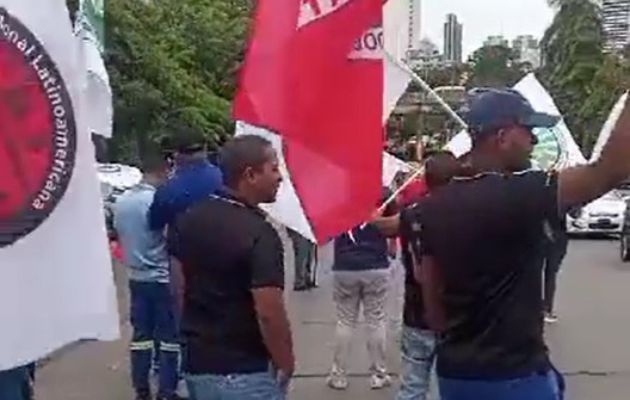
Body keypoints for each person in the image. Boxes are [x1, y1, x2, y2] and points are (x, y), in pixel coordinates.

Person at [417, 88, 630, 400]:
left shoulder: (432, 207)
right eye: (528, 130)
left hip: (455, 375)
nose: (535, 140)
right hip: (516, 377)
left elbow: (433, 308)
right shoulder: (523, 193)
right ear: (502, 136)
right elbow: (608, 171)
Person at [169, 135, 293, 400]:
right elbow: (269, 311)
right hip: (246, 371)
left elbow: (178, 287)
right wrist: (286, 360)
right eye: (273, 169)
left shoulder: (188, 219)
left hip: (198, 367)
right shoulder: (260, 233)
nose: (280, 177)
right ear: (250, 174)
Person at [395, 152, 461, 400]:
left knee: (413, 385)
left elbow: (392, 227)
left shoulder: (412, 214)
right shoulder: (467, 214)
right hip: (455, 316)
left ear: (427, 180)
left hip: (415, 313)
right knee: (454, 385)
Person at [114, 156, 180, 400]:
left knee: (141, 337)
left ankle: (141, 388)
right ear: (164, 171)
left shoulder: (122, 201)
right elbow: (168, 237)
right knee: (169, 339)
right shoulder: (157, 201)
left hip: (135, 277)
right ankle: (167, 390)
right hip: (161, 278)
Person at [326, 188, 397, 391]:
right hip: (375, 265)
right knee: (375, 320)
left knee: (345, 321)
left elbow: (329, 233)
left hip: (344, 266)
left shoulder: (340, 197)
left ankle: (338, 375)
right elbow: (393, 233)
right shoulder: (383, 195)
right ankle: (378, 374)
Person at [149, 126, 223, 232]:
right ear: (205, 148)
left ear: (176, 154)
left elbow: (155, 225)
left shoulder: (167, 191)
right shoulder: (225, 178)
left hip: (183, 246)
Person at [543, 213, 569, 324]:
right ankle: (544, 309)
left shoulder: (564, 198)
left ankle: (546, 308)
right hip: (544, 235)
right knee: (546, 273)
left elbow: (575, 214)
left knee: (551, 273)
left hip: (557, 236)